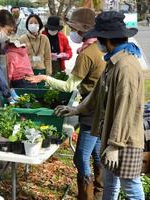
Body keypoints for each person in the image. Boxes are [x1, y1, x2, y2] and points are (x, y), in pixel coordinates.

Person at [55, 11, 145, 200]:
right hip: (112, 135)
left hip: (125, 140)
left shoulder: (126, 66)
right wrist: (76, 109)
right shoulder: (113, 61)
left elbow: (125, 109)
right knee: (111, 185)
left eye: (98, 38)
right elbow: (97, 93)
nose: (97, 42)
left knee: (131, 188)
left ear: (106, 39)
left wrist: (114, 146)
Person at [26, 8, 106, 200]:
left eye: (73, 29)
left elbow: (70, 85)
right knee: (96, 153)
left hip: (91, 110)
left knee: (80, 157)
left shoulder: (87, 54)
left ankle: (85, 196)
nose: (71, 33)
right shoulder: (100, 48)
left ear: (84, 30)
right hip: (101, 108)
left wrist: (45, 77)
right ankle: (99, 192)